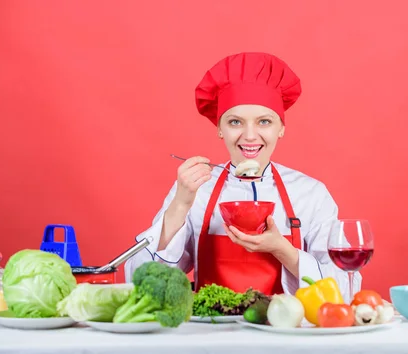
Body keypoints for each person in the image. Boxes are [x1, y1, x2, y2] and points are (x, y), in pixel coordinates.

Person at [125, 52, 362, 300]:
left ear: (281, 128)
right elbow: (143, 283)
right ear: (219, 128)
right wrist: (180, 204)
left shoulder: (310, 194)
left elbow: (344, 291)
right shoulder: (194, 190)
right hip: (211, 332)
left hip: (288, 332)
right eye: (235, 122)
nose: (250, 136)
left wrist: (284, 251)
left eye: (264, 122)